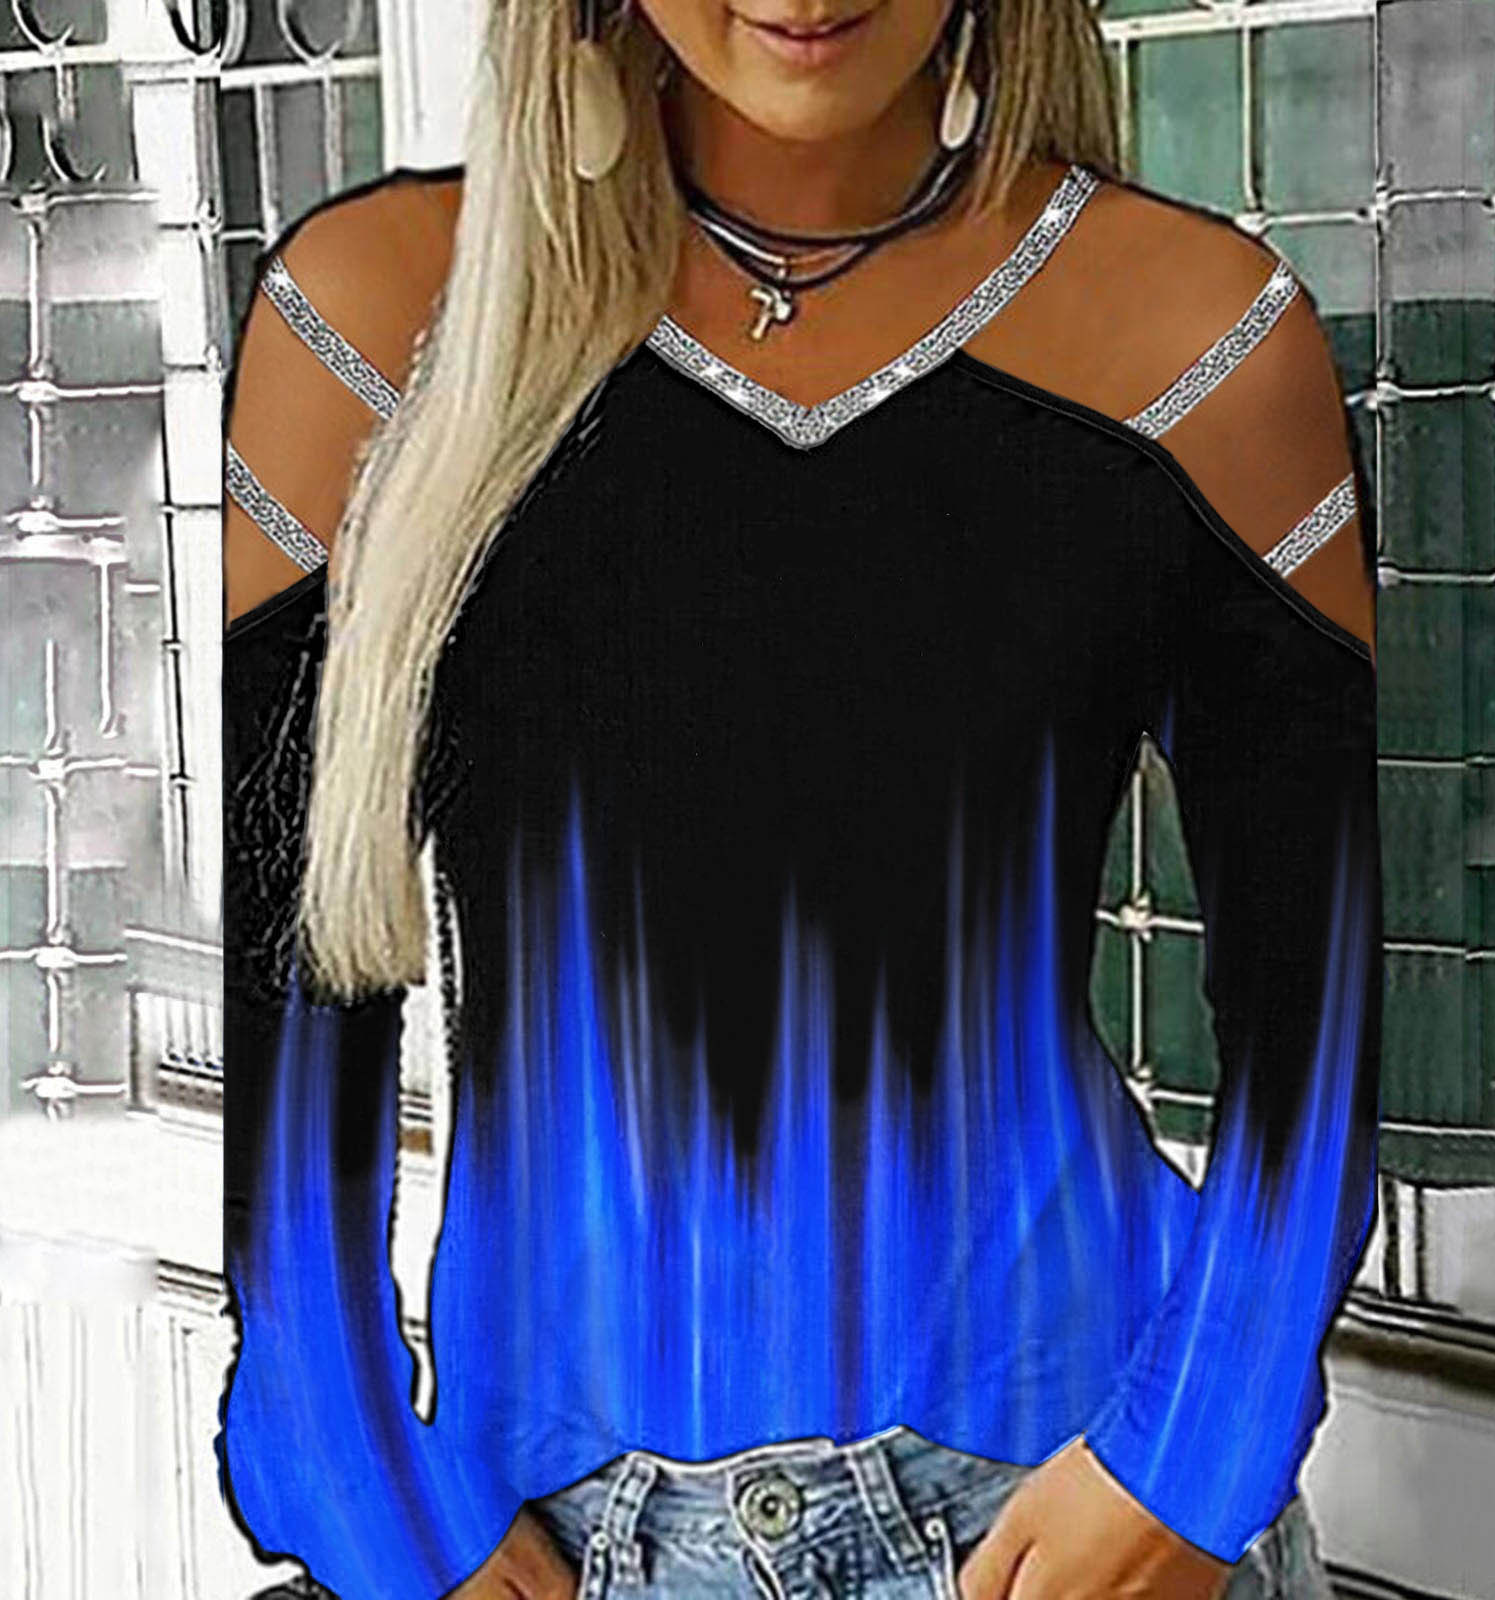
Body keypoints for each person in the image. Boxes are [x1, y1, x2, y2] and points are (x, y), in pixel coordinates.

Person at [217, 0, 1382, 1596]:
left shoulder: (1195, 337)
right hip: (543, 1534)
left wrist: (1194, 1464)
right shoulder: (374, 321)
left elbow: (1319, 995)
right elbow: (293, 969)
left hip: (1061, 1507)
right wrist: (357, 1488)